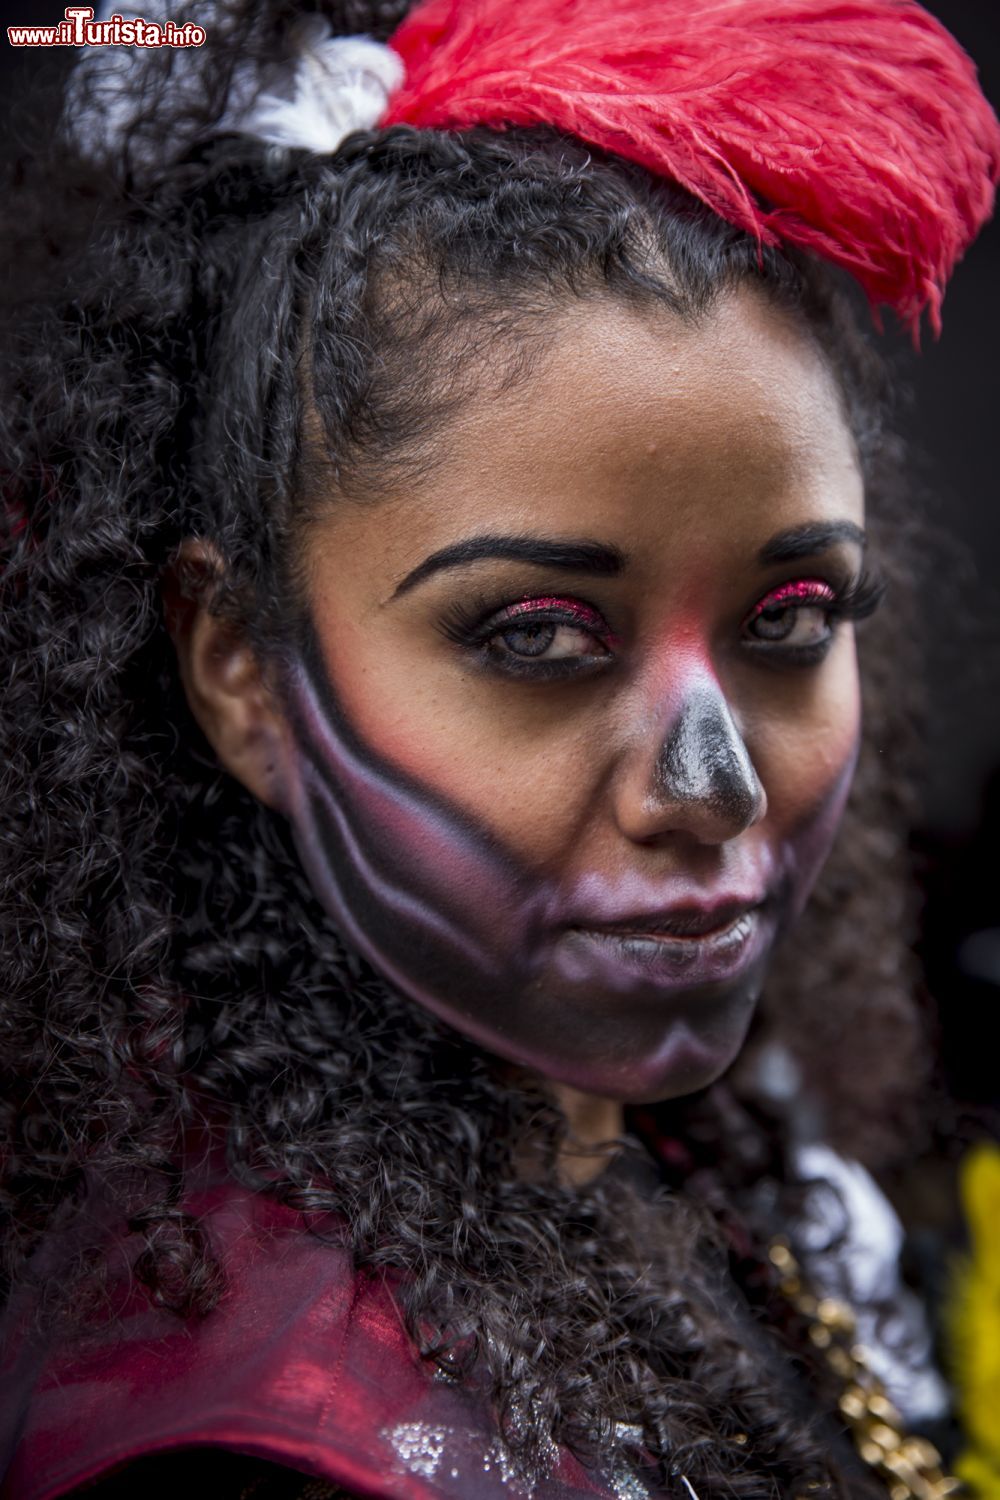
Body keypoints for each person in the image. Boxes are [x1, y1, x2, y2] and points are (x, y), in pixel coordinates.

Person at [1, 1, 997, 1496]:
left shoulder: (684, 1147)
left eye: (793, 616)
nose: (714, 787)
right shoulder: (254, 1438)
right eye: (536, 637)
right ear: (238, 665)